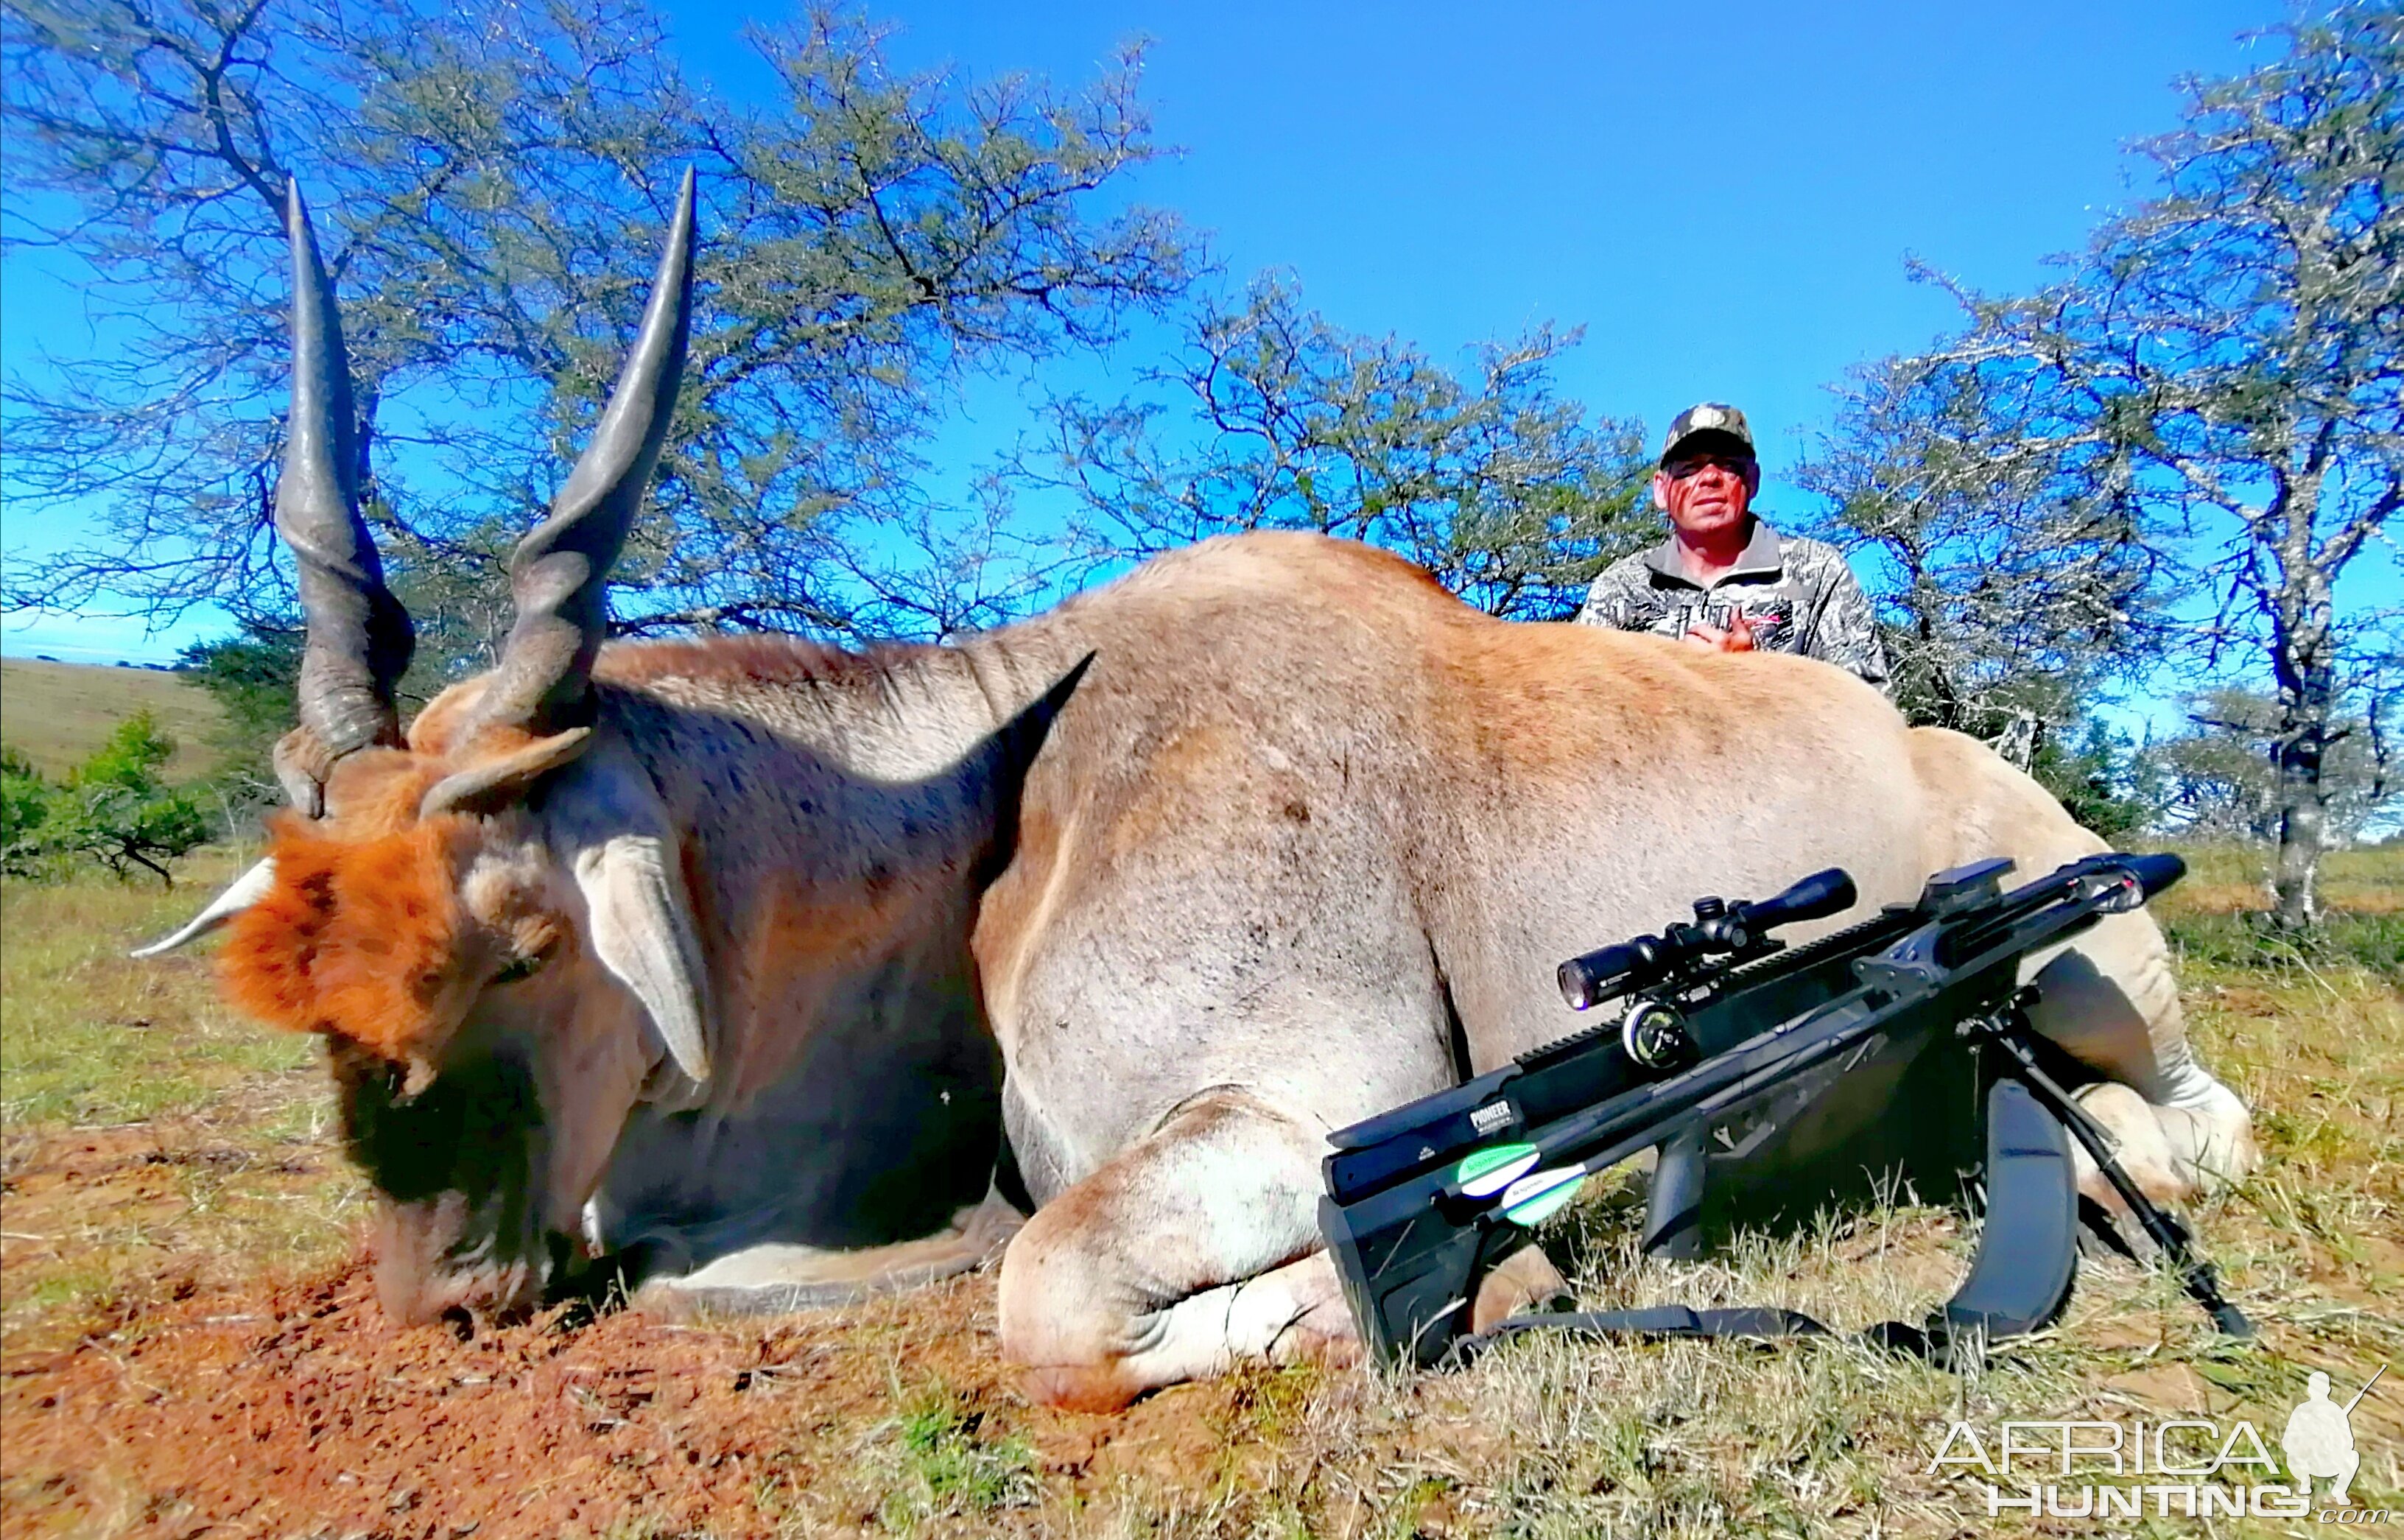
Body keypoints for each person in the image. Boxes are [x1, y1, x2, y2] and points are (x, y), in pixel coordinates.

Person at [1576, 403, 1890, 692]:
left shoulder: (1817, 572)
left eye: (1728, 465)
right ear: (1661, 489)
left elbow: (1866, 704)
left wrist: (1754, 677)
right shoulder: (1620, 588)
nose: (1710, 477)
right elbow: (1583, 703)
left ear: (1752, 480)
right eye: (1689, 468)